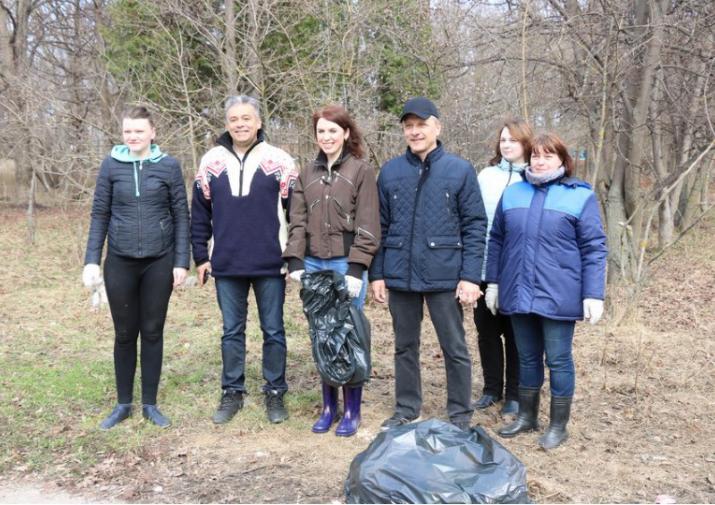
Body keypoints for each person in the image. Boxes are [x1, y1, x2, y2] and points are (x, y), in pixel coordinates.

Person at [369, 97, 487, 432]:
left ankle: (460, 413)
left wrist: (470, 277)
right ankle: (407, 408)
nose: (415, 131)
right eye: (409, 126)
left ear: (437, 126)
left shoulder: (459, 170)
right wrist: (377, 273)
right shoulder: (391, 172)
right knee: (405, 345)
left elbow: (475, 225)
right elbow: (381, 226)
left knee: (454, 346)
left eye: (422, 125)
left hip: (445, 274)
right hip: (400, 273)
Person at [486, 132, 607, 449]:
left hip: (559, 294)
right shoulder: (513, 193)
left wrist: (593, 294)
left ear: (562, 160)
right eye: (536, 155)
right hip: (518, 291)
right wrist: (494, 282)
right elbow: (497, 239)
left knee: (558, 359)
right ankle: (527, 417)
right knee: (527, 358)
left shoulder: (580, 195)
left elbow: (594, 247)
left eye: (548, 156)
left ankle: (558, 425)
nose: (540, 161)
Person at [191, 95, 298, 425]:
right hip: (226, 263)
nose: (240, 124)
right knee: (231, 332)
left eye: (247, 118)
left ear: (259, 122)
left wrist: (293, 257)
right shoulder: (211, 162)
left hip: (270, 263)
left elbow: (296, 214)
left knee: (274, 331)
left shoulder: (280, 161)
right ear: (227, 124)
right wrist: (200, 256)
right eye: (234, 119)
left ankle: (275, 392)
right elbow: (199, 215)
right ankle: (232, 392)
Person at [83, 105, 190, 430]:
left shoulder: (169, 166)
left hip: (159, 261)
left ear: (152, 132)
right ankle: (123, 404)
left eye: (139, 131)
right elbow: (100, 213)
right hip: (120, 262)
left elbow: (181, 215)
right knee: (125, 333)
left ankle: (151, 405)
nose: (133, 136)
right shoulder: (111, 166)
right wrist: (91, 259)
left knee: (153, 331)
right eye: (128, 131)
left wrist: (181, 261)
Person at [283, 104, 380, 437]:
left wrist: (356, 268)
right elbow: (296, 220)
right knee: (322, 334)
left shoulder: (361, 171)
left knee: (348, 335)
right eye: (321, 131)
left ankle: (352, 410)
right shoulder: (305, 173)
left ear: (346, 133)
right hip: (313, 264)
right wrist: (295, 259)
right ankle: (329, 407)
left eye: (333, 131)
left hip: (344, 264)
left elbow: (368, 223)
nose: (326, 137)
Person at [472, 119, 533, 416]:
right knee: (486, 331)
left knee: (515, 333)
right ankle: (491, 389)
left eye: (514, 140)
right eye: (503, 139)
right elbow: (473, 220)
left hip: (517, 272)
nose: (507, 145)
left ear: (526, 144)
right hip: (483, 267)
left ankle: (514, 394)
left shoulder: (533, 179)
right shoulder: (486, 176)